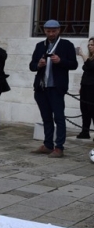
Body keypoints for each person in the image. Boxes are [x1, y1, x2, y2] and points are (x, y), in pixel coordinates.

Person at [29, 19, 78, 157]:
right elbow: (31, 66)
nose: (51, 34)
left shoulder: (66, 45)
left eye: (54, 31)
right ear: (44, 31)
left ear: (59, 30)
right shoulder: (40, 46)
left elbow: (74, 64)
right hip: (41, 87)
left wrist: (60, 61)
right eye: (48, 31)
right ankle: (48, 145)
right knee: (46, 118)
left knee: (59, 118)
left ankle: (59, 147)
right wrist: (38, 64)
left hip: (56, 88)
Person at [75, 37, 94, 139]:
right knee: (84, 109)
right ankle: (85, 131)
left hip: (92, 87)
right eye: (89, 45)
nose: (90, 47)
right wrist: (82, 86)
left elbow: (91, 67)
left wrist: (83, 55)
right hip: (85, 86)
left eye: (92, 45)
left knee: (92, 110)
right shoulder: (89, 58)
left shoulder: (88, 59)